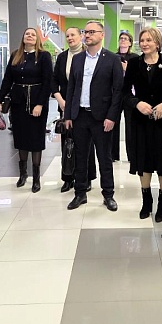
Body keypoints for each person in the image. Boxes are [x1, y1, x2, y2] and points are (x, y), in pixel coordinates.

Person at [64, 21, 123, 211]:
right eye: (85, 32)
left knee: (104, 158)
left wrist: (112, 117)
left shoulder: (112, 59)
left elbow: (118, 91)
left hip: (102, 117)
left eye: (91, 32)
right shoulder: (78, 59)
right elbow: (71, 88)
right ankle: (80, 193)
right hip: (80, 115)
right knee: (81, 157)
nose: (87, 35)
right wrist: (68, 115)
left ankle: (108, 194)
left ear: (102, 34)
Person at [122, 28, 162, 221]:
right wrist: (137, 103)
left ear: (157, 43)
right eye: (142, 40)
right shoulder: (134, 63)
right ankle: (146, 201)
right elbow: (124, 92)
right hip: (141, 121)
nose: (144, 44)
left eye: (149, 40)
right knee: (143, 161)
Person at [0, 27, 52, 193]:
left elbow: (47, 81)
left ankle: (36, 178)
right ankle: (23, 174)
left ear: (37, 39)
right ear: (23, 37)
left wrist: (40, 104)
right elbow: (8, 78)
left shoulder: (43, 56)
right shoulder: (16, 55)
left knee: (35, 138)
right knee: (20, 137)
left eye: (33, 34)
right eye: (27, 33)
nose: (30, 36)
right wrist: (0, 98)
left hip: (36, 101)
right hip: (18, 101)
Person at [51, 27, 97, 193]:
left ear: (81, 36)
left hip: (85, 107)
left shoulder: (88, 55)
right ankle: (68, 177)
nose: (70, 38)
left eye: (73, 35)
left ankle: (87, 177)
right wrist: (60, 99)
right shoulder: (62, 57)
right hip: (65, 105)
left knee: (86, 144)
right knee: (67, 142)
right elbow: (54, 81)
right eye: (67, 35)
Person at [113, 31, 137, 162]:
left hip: (129, 94)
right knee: (113, 123)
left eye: (126, 39)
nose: (123, 40)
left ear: (130, 43)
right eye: (121, 38)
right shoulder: (113, 56)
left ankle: (132, 156)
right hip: (116, 94)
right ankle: (113, 155)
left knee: (130, 126)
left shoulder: (135, 58)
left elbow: (138, 77)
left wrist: (126, 68)